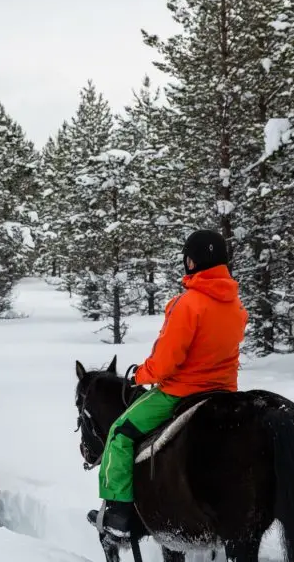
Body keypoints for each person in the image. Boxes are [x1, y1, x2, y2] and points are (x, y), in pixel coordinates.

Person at [91, 230, 249, 539]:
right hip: (224, 392)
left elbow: (166, 363)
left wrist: (140, 375)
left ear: (192, 262)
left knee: (120, 433)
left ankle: (118, 513)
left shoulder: (188, 304)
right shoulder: (235, 305)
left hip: (181, 392)